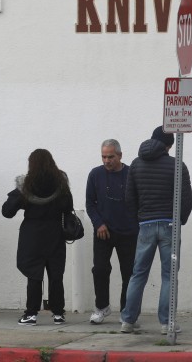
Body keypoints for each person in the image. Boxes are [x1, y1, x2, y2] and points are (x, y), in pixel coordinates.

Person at [120, 127, 192, 336]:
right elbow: (186, 197)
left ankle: (128, 320)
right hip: (170, 223)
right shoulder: (177, 165)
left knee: (138, 274)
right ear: (168, 145)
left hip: (146, 224)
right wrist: (181, 220)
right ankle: (166, 323)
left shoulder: (135, 164)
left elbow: (129, 197)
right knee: (169, 275)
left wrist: (139, 219)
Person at [2, 148, 73, 326]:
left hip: (32, 235)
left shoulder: (26, 185)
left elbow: (7, 211)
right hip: (55, 233)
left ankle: (31, 314)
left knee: (34, 274)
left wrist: (19, 194)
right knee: (56, 274)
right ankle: (58, 314)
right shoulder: (61, 184)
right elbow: (68, 206)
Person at [85, 138, 138, 325]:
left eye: (111, 157)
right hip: (103, 232)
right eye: (103, 157)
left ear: (120, 155)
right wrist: (98, 223)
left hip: (128, 232)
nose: (107, 161)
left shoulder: (131, 173)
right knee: (99, 269)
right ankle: (101, 307)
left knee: (129, 273)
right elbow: (90, 203)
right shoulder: (95, 174)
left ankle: (126, 311)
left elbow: (139, 201)